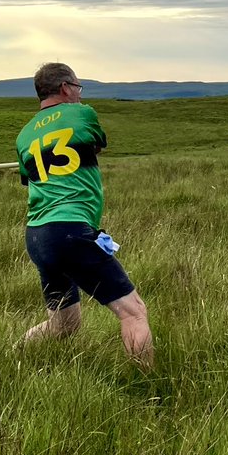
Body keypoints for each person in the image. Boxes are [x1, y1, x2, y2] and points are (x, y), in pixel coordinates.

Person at [14, 62, 154, 366]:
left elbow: (32, 178)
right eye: (78, 87)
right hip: (69, 230)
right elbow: (96, 146)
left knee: (63, 325)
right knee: (134, 313)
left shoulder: (23, 136)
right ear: (65, 88)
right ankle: (148, 383)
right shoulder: (82, 114)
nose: (80, 93)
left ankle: (14, 357)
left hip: (37, 236)